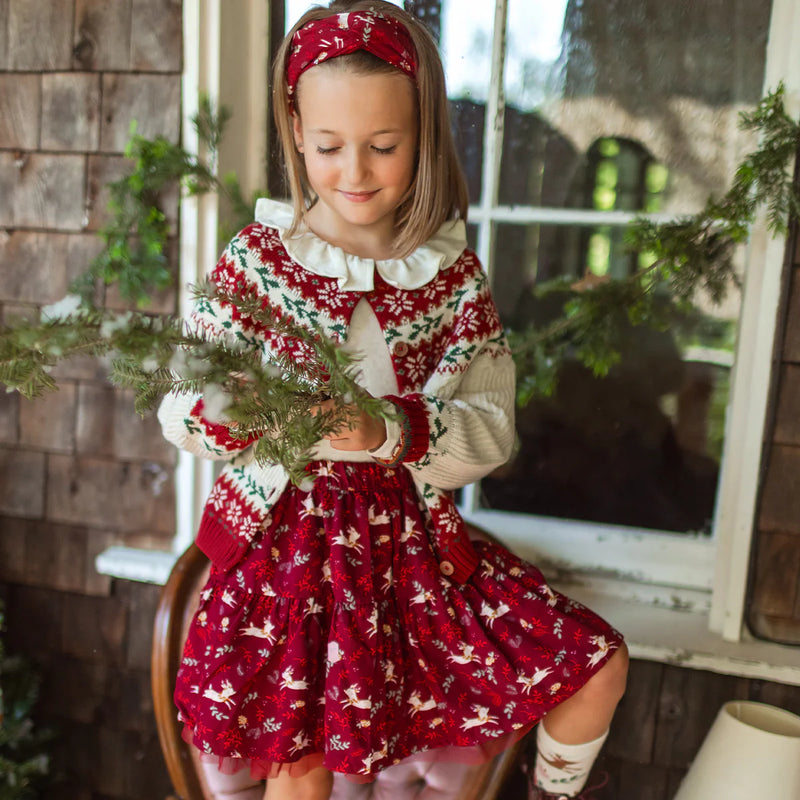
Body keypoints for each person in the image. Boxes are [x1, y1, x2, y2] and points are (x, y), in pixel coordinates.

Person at [157, 2, 628, 799]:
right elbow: (182, 407)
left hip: (412, 559)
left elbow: (486, 433)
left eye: (384, 146)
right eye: (330, 147)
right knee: (301, 767)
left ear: (423, 138)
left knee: (597, 663)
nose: (356, 172)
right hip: (287, 557)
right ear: (296, 131)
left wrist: (389, 429)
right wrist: (244, 411)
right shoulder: (259, 264)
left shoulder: (450, 281)